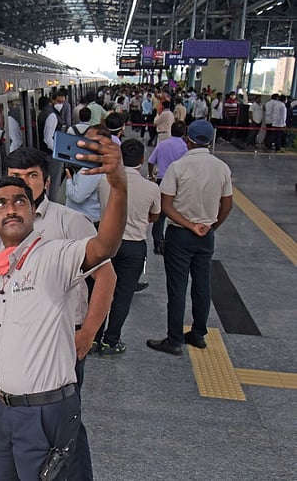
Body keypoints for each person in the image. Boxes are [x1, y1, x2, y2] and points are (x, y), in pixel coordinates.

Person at [0, 133, 127, 481]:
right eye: (0, 203)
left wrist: (119, 186)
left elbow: (105, 247)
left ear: (34, 208)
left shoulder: (52, 253)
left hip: (44, 409)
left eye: (20, 200)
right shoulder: (2, 271)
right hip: (3, 408)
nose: (11, 207)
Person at [4, 147, 117, 481]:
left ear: (47, 181)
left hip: (65, 337)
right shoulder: (3, 223)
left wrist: (88, 333)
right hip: (21, 339)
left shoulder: (70, 222)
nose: (22, 185)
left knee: (66, 419)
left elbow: (106, 276)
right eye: (15, 177)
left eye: (31, 177)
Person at [147, 120, 233, 356]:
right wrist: (211, 226)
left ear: (188, 139)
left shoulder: (178, 167)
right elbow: (227, 204)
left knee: (177, 287)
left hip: (180, 235)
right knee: (202, 285)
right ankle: (198, 334)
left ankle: (174, 339)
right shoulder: (222, 168)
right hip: (206, 236)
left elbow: (166, 206)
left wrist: (190, 225)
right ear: (210, 140)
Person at [93, 139, 160, 355]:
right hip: (134, 246)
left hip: (106, 243)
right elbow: (155, 215)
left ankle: (94, 337)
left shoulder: (104, 182)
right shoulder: (151, 188)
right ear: (142, 160)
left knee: (100, 291)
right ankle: (111, 341)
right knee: (123, 295)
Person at [147, 121, 188, 255]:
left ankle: (158, 241)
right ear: (184, 133)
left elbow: (151, 161)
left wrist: (151, 175)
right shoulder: (185, 148)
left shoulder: (162, 144)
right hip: (179, 183)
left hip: (162, 180)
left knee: (160, 213)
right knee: (178, 211)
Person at [64, 126, 110, 226]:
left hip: (84, 222)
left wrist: (69, 180)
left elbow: (77, 197)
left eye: (88, 141)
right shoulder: (101, 163)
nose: (83, 144)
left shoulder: (92, 170)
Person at [36, 96, 63, 201]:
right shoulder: (52, 115)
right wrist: (58, 151)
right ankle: (52, 203)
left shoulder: (42, 114)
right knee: (54, 183)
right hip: (51, 154)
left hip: (45, 153)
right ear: (51, 103)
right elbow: (48, 138)